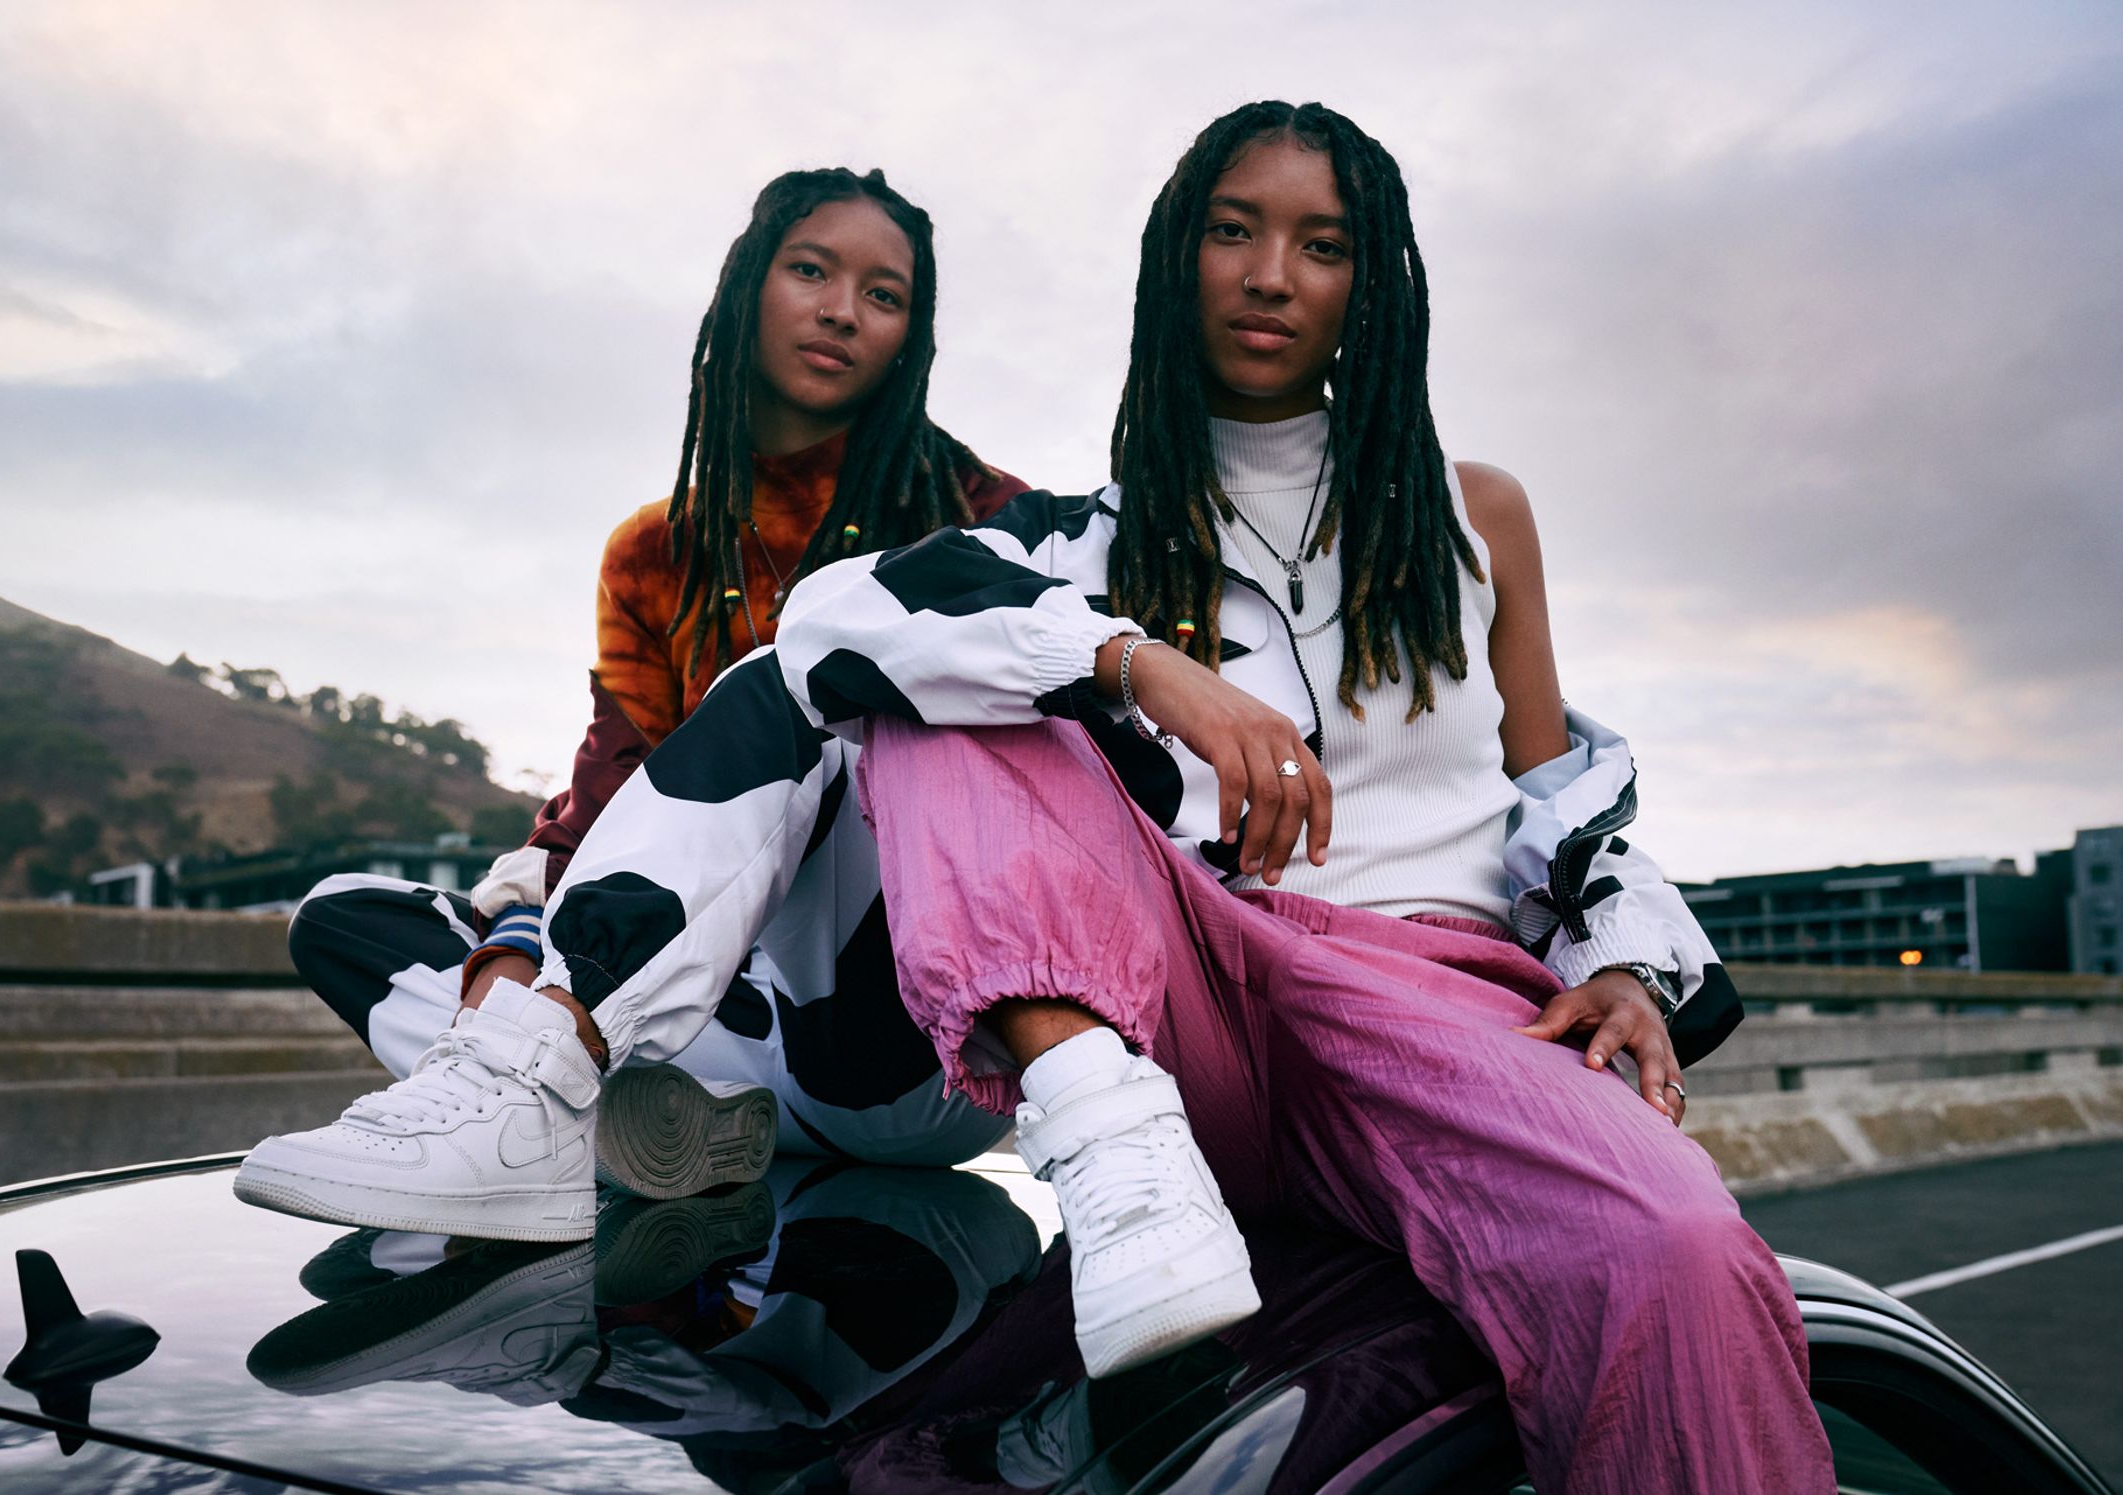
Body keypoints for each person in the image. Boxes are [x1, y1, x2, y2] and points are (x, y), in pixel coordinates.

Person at [759, 102, 1830, 1492]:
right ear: (1176, 259)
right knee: (946, 671)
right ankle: (1101, 1134)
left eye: (1320, 244)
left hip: (1430, 1007)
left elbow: (1556, 791)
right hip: (1177, 1009)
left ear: (1367, 284)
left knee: (1675, 1240)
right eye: (1232, 230)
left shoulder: (1476, 512)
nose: (1271, 274)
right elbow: (828, 622)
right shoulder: (1078, 541)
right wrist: (1142, 662)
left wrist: (1622, 958)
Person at [236, 166, 1026, 1240]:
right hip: (714, 1026)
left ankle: (575, 1099)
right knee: (341, 915)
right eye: (810, 271)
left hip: (907, 1040)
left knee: (799, 687)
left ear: (909, 338)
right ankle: (645, 1116)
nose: (842, 309)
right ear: (748, 288)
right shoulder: (659, 550)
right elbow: (613, 791)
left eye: (882, 295)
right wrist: (511, 947)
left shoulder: (984, 521)